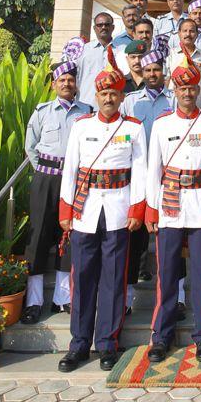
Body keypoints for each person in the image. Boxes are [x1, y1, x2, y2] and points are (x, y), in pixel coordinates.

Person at [57, 48, 147, 373]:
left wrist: (138, 208)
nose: (109, 98)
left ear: (122, 97)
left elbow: (141, 171)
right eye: (104, 93)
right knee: (82, 277)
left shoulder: (134, 128)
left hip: (119, 208)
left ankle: (108, 343)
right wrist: (65, 210)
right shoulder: (81, 126)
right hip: (86, 209)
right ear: (95, 96)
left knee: (113, 277)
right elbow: (70, 169)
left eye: (114, 93)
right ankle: (79, 344)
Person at [145, 53, 201, 365]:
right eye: (182, 88)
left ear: (198, 89)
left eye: (192, 87)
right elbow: (153, 169)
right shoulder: (161, 124)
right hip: (169, 204)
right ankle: (161, 336)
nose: (187, 92)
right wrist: (151, 208)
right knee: (167, 274)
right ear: (174, 89)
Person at [22, 39, 92, 324]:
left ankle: (62, 298)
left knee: (70, 236)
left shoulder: (86, 112)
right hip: (46, 180)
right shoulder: (42, 112)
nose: (66, 83)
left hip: (75, 182)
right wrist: (45, 171)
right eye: (62, 80)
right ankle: (33, 301)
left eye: (70, 79)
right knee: (38, 236)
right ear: (53, 84)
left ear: (76, 84)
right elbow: (30, 147)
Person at [122, 40, 175, 308]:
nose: (152, 74)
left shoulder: (175, 100)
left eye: (156, 69)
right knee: (134, 237)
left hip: (169, 177)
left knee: (173, 236)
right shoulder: (130, 102)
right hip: (139, 176)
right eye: (148, 70)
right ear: (141, 72)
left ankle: (176, 297)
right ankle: (129, 295)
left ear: (163, 71)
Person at [168, 19, 201, 108]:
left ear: (197, 34)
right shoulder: (171, 54)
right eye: (185, 31)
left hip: (198, 106)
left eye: (192, 31)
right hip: (174, 107)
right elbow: (167, 80)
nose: (188, 34)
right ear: (179, 33)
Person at [76, 13, 115, 107]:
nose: (103, 27)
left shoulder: (121, 50)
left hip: (113, 104)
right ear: (94, 28)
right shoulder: (83, 50)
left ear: (113, 27)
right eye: (100, 25)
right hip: (86, 104)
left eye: (107, 24)